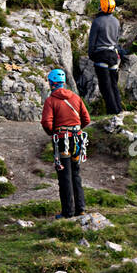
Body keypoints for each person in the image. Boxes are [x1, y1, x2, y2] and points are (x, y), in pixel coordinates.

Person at [40, 68, 91, 219]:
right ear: (63, 83)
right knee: (75, 174)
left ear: (51, 83)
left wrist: (53, 133)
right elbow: (86, 119)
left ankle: (68, 211)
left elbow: (46, 122)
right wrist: (76, 129)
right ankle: (80, 208)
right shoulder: (75, 98)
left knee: (64, 176)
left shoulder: (51, 100)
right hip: (77, 140)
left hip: (62, 140)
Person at [87, 0, 122, 114]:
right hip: (113, 55)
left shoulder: (97, 22)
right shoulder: (116, 21)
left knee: (105, 86)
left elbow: (92, 42)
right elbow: (117, 40)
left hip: (101, 55)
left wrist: (91, 55)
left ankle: (112, 111)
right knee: (113, 85)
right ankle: (119, 110)